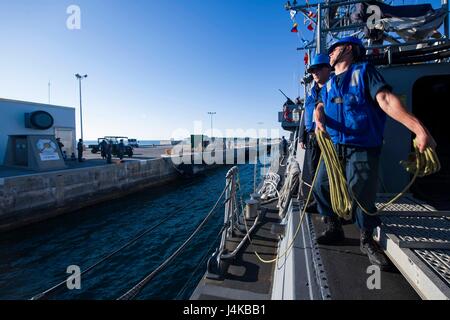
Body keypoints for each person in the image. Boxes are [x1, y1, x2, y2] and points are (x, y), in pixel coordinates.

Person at [313, 36, 436, 269]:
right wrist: (318, 113)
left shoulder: (365, 71)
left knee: (361, 191)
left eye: (333, 49)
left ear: (348, 49)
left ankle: (366, 238)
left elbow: (386, 100)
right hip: (334, 146)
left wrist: (419, 130)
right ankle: (334, 226)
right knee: (321, 185)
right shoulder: (328, 83)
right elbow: (320, 103)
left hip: (361, 145)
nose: (329, 53)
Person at [299, 54, 331, 213]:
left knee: (328, 174)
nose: (315, 73)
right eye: (312, 70)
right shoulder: (311, 93)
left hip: (328, 137)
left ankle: (329, 207)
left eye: (318, 69)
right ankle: (317, 202)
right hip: (312, 137)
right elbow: (305, 115)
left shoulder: (334, 87)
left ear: (328, 69)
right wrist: (302, 136)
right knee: (313, 172)